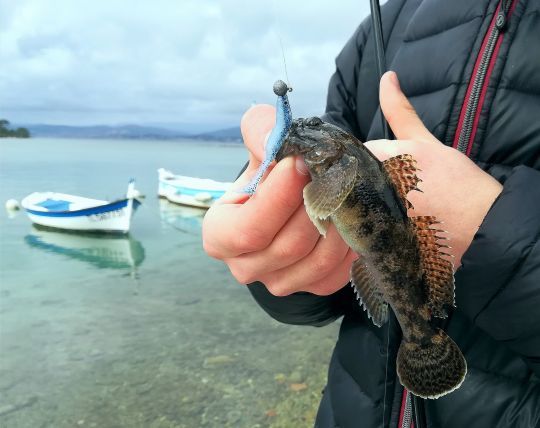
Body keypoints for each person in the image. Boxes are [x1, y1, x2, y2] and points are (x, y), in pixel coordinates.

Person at [202, 0, 540, 426]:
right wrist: (272, 245)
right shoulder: (379, 29)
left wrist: (496, 233)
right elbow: (330, 281)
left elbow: (330, 200)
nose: (305, 130)